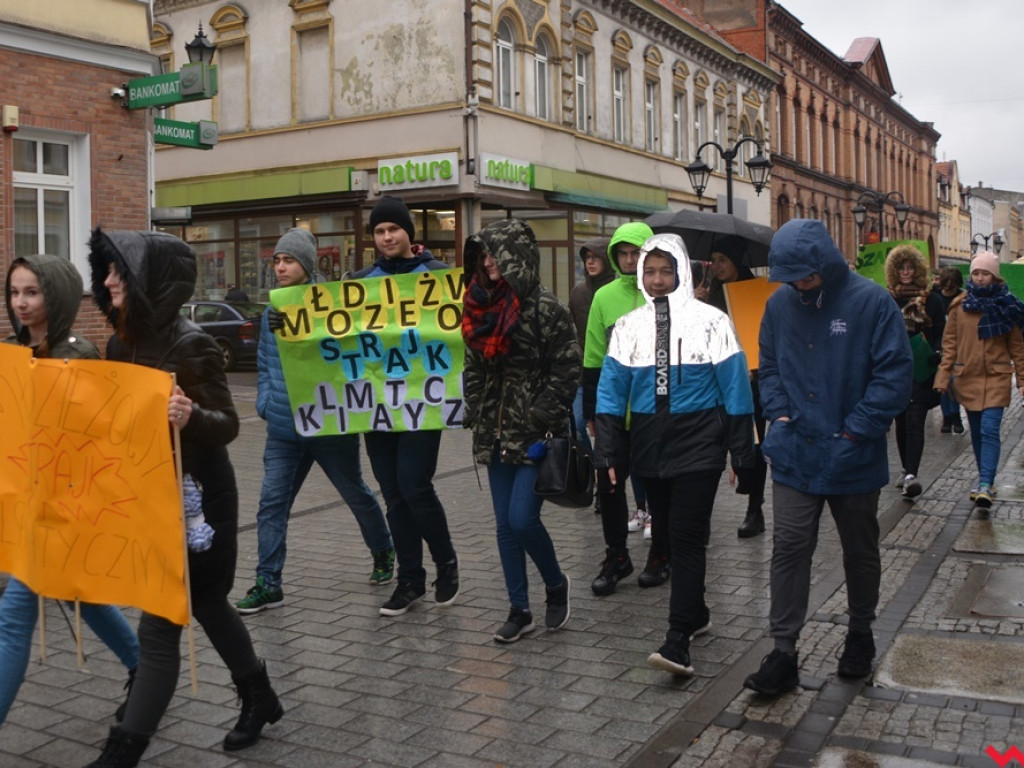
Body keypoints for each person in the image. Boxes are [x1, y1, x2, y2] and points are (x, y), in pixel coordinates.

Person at [85, 228, 282, 767]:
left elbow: (228, 425)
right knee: (208, 605)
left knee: (163, 624)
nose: (106, 281)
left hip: (201, 501)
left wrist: (190, 415)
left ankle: (123, 750)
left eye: (117, 273)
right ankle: (259, 695)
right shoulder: (121, 343)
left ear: (149, 280)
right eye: (106, 272)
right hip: (149, 495)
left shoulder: (192, 342)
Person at [743, 219, 912, 697]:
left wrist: (857, 429)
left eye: (805, 276)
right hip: (794, 451)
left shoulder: (871, 302)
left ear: (825, 263)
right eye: (790, 277)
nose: (798, 285)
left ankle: (860, 633)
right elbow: (769, 365)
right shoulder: (779, 305)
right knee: (789, 549)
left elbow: (893, 375)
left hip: (851, 454)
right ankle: (783, 652)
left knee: (860, 549)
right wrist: (776, 415)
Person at [594, 233, 755, 675]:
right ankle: (697, 612)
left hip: (701, 441)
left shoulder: (712, 321)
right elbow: (610, 391)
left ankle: (677, 638)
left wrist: (743, 452)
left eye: (666, 271)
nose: (658, 279)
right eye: (650, 271)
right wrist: (607, 449)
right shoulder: (628, 326)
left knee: (686, 538)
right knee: (667, 533)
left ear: (682, 271)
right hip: (649, 444)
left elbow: (736, 387)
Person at [0, 254, 140, 729]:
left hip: (66, 507)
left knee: (13, 617)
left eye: (32, 292)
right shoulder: (10, 349)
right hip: (25, 502)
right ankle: (144, 666)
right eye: (15, 292)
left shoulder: (76, 354)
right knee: (78, 597)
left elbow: (95, 437)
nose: (20, 302)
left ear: (54, 295)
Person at [235, 228, 395, 614]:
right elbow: (263, 361)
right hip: (283, 427)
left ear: (305, 265)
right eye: (276, 260)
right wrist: (265, 401)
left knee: (355, 492)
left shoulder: (333, 306)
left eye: (288, 260)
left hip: (327, 425)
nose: (280, 267)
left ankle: (383, 551)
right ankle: (268, 582)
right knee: (271, 504)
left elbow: (350, 355)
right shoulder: (273, 310)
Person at [461, 219, 576, 642]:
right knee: (504, 526)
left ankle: (556, 583)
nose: (488, 262)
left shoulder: (547, 308)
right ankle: (519, 608)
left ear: (518, 257)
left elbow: (567, 369)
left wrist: (539, 417)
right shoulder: (478, 304)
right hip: (493, 431)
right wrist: (475, 406)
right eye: (483, 254)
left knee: (523, 519)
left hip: (533, 434)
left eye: (495, 253)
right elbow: (473, 363)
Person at [350, 197, 460, 617]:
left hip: (422, 401)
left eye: (393, 229)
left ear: (409, 234)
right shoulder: (359, 280)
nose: (387, 237)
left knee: (415, 485)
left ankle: (446, 561)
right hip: (376, 406)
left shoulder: (438, 277)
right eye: (379, 231)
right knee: (394, 494)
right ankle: (409, 580)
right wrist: (284, 322)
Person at [582, 221, 670, 595]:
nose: (630, 260)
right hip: (615, 414)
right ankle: (617, 555)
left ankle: (661, 554)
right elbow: (593, 359)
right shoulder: (603, 298)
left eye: (637, 253)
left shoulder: (666, 294)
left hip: (656, 412)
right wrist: (591, 414)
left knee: (659, 486)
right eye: (624, 254)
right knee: (610, 486)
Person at [934, 251, 1024, 509]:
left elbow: (1017, 347)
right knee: (977, 433)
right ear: (970, 275)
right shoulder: (959, 307)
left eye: (986, 273)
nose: (981, 278)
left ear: (995, 277)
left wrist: (1022, 380)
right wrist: (943, 377)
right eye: (976, 273)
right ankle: (985, 479)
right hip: (968, 377)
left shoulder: (1008, 306)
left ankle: (986, 482)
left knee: (989, 430)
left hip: (997, 377)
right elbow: (949, 345)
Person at [700, 236, 770, 537]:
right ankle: (701, 510)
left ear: (736, 262)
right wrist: (695, 304)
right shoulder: (709, 295)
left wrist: (755, 366)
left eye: (722, 260)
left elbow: (763, 335)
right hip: (717, 379)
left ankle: (755, 510)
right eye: (713, 260)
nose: (716, 266)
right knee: (713, 442)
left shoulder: (755, 293)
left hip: (751, 380)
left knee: (754, 444)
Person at [884, 244, 946, 499]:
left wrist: (937, 352)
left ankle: (912, 474)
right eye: (901, 268)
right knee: (900, 419)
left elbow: (942, 330)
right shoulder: (887, 297)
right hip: (896, 366)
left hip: (922, 365)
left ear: (918, 269)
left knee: (915, 418)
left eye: (910, 267)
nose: (906, 272)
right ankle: (905, 468)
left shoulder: (931, 298)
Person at [567, 237, 612, 460]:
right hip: (584, 372)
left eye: (596, 257)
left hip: (612, 372)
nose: (590, 262)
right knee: (574, 424)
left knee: (609, 431)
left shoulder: (615, 292)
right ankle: (592, 465)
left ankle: (607, 473)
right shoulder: (578, 293)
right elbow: (573, 331)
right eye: (587, 258)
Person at [932, 266, 965, 433]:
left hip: (959, 346)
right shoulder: (935, 297)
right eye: (947, 285)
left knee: (955, 382)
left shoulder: (962, 297)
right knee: (944, 383)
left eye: (953, 285)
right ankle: (947, 417)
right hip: (941, 346)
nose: (949, 288)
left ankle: (955, 414)